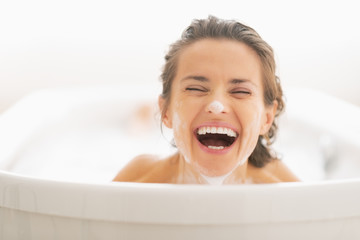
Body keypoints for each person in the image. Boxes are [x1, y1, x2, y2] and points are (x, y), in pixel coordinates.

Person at [113, 16, 299, 184]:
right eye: (195, 88)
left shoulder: (289, 192)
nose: (216, 106)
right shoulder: (137, 181)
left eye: (240, 92)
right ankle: (140, 119)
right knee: (135, 135)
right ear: (166, 111)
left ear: (266, 119)